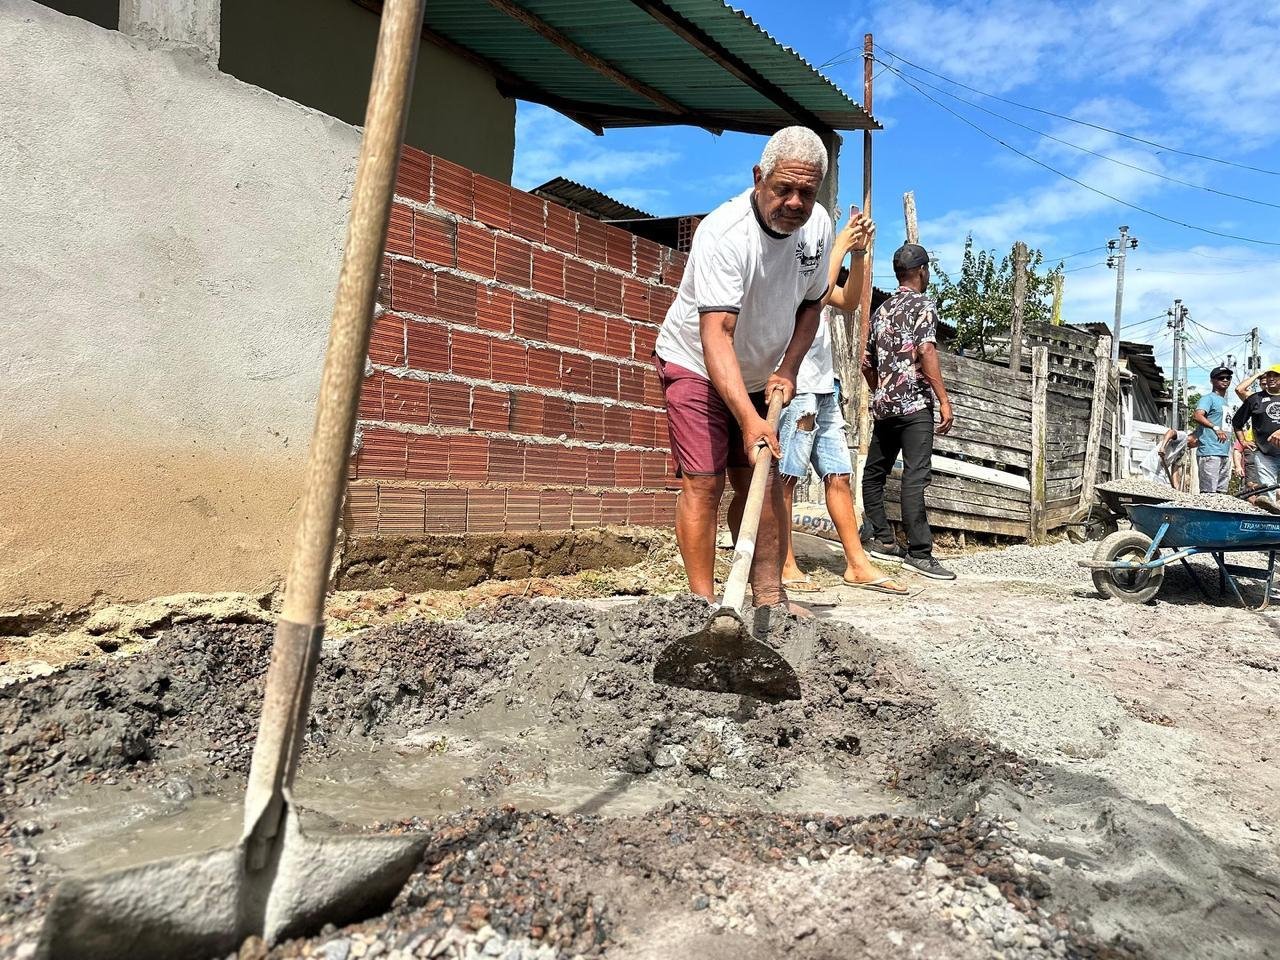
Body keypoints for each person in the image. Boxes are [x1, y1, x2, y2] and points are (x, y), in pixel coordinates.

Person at [653, 126, 833, 616]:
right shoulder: (725, 233)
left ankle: (770, 598)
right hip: (695, 363)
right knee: (706, 481)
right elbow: (716, 336)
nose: (796, 203)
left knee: (761, 479)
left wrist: (789, 368)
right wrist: (750, 420)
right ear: (759, 177)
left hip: (758, 371)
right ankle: (704, 606)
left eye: (807, 192)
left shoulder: (818, 227)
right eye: (784, 189)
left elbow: (813, 306)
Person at [775, 209, 908, 596]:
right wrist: (839, 244)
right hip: (795, 385)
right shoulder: (783, 275)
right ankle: (783, 562)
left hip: (824, 386)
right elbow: (817, 291)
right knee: (786, 478)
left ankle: (856, 563)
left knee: (838, 474)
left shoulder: (817, 273)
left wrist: (860, 255)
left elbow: (849, 300)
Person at [859, 243, 956, 580]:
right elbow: (926, 349)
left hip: (885, 408)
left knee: (874, 473)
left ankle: (883, 540)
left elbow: (866, 363)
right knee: (915, 476)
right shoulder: (924, 305)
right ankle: (919, 552)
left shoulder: (881, 310)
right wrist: (943, 399)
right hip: (915, 406)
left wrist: (882, 390)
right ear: (922, 271)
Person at [1232, 365, 1280, 498]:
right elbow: (1237, 422)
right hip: (1265, 454)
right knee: (1268, 491)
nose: (1271, 378)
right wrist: (1243, 441)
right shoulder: (1255, 399)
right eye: (1269, 375)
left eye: (1276, 375)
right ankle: (1273, 517)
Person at [1193, 366, 1233, 492]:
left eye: (1228, 377)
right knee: (1208, 493)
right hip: (1210, 451)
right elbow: (1198, 415)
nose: (1225, 380)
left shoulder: (1225, 402)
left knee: (1221, 493)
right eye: (1221, 378)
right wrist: (1215, 428)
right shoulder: (1208, 398)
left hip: (1224, 452)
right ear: (1212, 381)